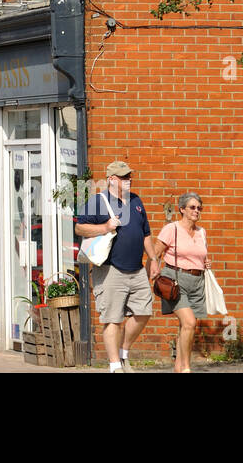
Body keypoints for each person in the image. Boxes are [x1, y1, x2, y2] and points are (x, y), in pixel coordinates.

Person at [75, 160, 160, 373]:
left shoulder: (136, 201)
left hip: (137, 269)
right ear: (111, 179)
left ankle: (123, 352)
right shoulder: (98, 202)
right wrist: (105, 227)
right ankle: (114, 366)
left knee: (143, 312)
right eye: (124, 177)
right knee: (113, 318)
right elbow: (79, 228)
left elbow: (146, 234)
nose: (129, 179)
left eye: (129, 176)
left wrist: (153, 259)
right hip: (111, 269)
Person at [150, 191, 210, 373]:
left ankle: (178, 367)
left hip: (197, 281)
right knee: (189, 323)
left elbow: (200, 254)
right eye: (192, 207)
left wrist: (206, 262)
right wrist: (151, 273)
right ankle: (186, 368)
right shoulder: (172, 229)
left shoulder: (201, 232)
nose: (196, 210)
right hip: (175, 281)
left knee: (187, 327)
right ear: (182, 209)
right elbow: (155, 253)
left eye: (199, 208)